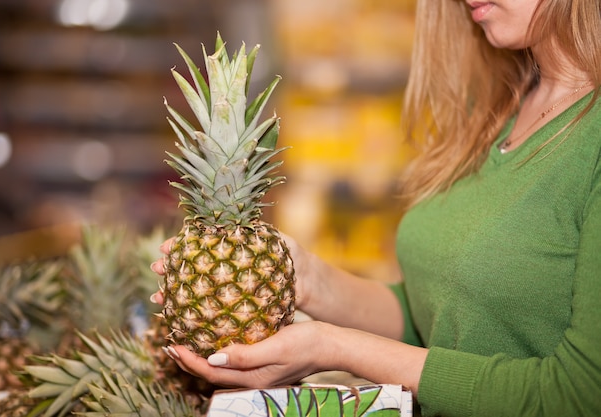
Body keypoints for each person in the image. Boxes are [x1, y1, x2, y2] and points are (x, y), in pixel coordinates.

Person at [150, 0, 601, 415]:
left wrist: (332, 347)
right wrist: (304, 278)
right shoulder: (499, 106)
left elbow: (578, 394)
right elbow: (445, 317)